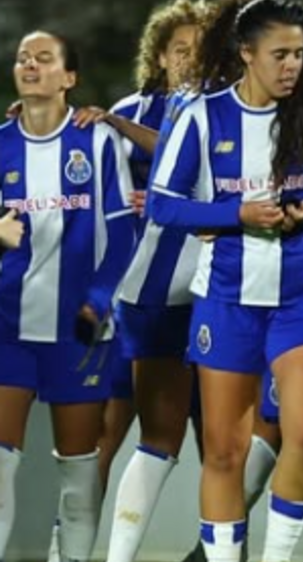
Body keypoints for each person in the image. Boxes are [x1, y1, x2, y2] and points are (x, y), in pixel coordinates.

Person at [148, 0, 303, 562]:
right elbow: (163, 206)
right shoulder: (202, 117)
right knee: (224, 449)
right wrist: (235, 214)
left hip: (302, 295)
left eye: (300, 54)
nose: (292, 66)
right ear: (246, 53)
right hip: (227, 298)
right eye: (280, 54)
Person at [0, 30, 136, 562]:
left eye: (44, 58)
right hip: (8, 325)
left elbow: (122, 234)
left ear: (69, 77)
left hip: (79, 329)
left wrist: (98, 299)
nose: (30, 65)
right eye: (22, 58)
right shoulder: (1, 144)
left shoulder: (97, 141)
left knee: (78, 470)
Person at [97, 0, 208, 562]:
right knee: (110, 433)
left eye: (200, 49)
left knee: (223, 439)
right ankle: (73, 545)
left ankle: (215, 549)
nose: (189, 59)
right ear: (159, 56)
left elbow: (177, 160)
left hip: (212, 290)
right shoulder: (127, 109)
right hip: (141, 295)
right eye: (179, 49)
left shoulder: (224, 111)